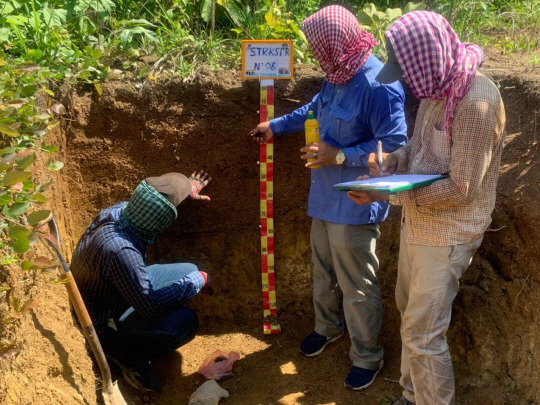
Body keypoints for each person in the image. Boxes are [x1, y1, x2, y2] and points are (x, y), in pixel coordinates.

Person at [348, 11, 506, 405]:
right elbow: (420, 150)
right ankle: (411, 395)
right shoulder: (442, 87)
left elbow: (461, 189)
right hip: (422, 224)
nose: (408, 83)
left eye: (408, 71)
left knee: (423, 333)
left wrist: (388, 195)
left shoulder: (475, 103)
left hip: (448, 233)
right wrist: (393, 163)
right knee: (411, 317)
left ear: (427, 58)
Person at [250, 5, 407, 390]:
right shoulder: (338, 72)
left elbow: (394, 145)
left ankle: (367, 356)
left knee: (357, 284)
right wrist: (276, 125)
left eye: (318, 46)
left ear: (335, 43)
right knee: (323, 270)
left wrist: (339, 155)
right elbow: (315, 110)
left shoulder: (378, 84)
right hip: (324, 196)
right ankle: (328, 328)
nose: (316, 54)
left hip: (355, 199)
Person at [70, 171, 213, 393]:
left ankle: (132, 341)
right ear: (161, 221)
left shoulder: (119, 212)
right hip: (102, 323)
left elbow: (155, 203)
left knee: (189, 270)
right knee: (186, 321)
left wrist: (185, 191)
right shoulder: (122, 252)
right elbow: (148, 306)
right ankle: (126, 355)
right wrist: (196, 282)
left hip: (110, 292)